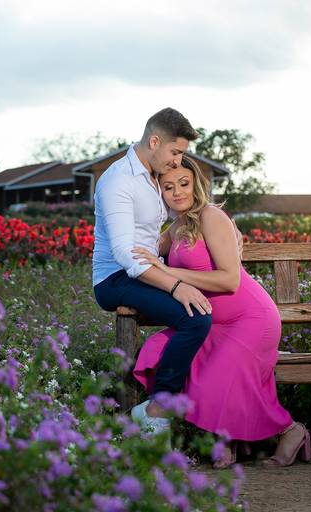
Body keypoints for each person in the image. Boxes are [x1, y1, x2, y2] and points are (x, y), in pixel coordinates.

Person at [131, 155, 311, 469]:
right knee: (159, 349)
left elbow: (229, 281)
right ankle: (221, 437)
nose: (177, 192)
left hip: (250, 319)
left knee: (215, 378)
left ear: (197, 184)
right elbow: (139, 251)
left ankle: (288, 430)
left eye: (184, 183)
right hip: (212, 322)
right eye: (168, 187)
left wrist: (168, 271)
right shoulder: (176, 227)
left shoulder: (211, 216)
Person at [92, 108, 215, 437]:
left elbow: (170, 222)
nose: (178, 161)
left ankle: (182, 406)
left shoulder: (154, 176)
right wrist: (176, 286)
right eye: (175, 152)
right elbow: (124, 253)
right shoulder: (118, 181)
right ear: (155, 141)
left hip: (145, 269)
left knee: (207, 309)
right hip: (115, 279)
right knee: (195, 317)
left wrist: (224, 230)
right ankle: (157, 410)